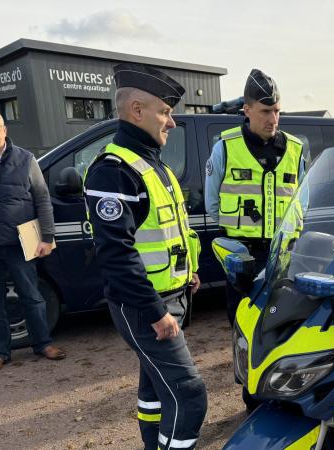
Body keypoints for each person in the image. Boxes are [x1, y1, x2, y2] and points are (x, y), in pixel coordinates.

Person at [84, 64, 206, 450]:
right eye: (164, 112)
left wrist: (191, 271)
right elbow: (116, 256)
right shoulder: (113, 170)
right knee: (189, 395)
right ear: (137, 110)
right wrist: (155, 311)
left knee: (154, 384)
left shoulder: (155, 163)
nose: (171, 122)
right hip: (145, 306)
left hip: (171, 295)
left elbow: (173, 231)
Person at [204, 68, 306, 325]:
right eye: (265, 111)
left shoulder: (295, 150)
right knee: (242, 322)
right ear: (247, 110)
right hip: (241, 256)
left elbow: (303, 202)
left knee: (282, 321)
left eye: (277, 111)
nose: (273, 118)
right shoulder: (225, 148)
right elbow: (212, 205)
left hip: (283, 255)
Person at [0, 106, 65, 376]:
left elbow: (42, 199)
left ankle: (43, 344)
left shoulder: (26, 159)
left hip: (20, 243)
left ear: (4, 129)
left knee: (32, 296)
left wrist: (48, 237)